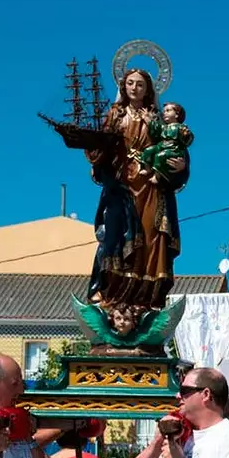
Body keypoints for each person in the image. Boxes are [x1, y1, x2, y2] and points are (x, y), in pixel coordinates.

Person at [85, 67, 189, 311]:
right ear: (123, 86)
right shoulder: (115, 115)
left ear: (148, 89)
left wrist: (181, 164)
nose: (135, 88)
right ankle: (114, 295)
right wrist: (91, 149)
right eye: (130, 83)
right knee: (118, 236)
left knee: (152, 236)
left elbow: (175, 145)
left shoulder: (157, 118)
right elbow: (101, 146)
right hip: (122, 183)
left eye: (140, 84)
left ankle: (146, 297)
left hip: (152, 184)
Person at [134, 101, 193, 183]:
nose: (164, 113)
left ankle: (157, 176)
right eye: (164, 111)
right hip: (160, 147)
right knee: (149, 151)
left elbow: (187, 140)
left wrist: (182, 167)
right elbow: (156, 127)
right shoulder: (164, 127)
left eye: (168, 111)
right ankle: (147, 169)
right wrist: (147, 119)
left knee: (160, 156)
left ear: (176, 115)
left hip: (171, 149)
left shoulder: (180, 127)